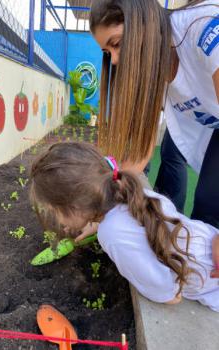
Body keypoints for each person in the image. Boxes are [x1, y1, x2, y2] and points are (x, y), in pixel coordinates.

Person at [30, 142, 219, 311]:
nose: (58, 221)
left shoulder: (111, 235)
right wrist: (96, 225)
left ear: (74, 207)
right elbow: (127, 223)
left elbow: (169, 295)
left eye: (54, 211)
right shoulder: (134, 193)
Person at [89, 0, 219, 228]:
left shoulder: (204, 29)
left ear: (144, 23)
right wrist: (104, 210)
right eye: (107, 52)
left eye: (117, 44)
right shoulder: (150, 68)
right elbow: (140, 156)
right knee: (206, 214)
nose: (115, 60)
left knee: (211, 212)